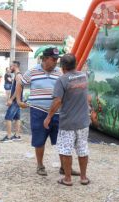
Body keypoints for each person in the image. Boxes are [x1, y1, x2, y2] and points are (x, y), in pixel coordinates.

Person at [16, 47, 80, 176]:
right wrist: (19, 100)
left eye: (57, 59)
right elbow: (20, 83)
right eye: (53, 59)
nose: (56, 62)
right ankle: (40, 166)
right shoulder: (32, 71)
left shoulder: (60, 73)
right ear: (45, 59)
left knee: (62, 141)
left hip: (58, 113)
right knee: (39, 140)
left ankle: (64, 168)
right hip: (38, 111)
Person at [44, 54, 90, 186]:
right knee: (82, 149)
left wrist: (48, 117)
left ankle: (68, 179)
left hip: (68, 123)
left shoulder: (62, 80)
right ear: (75, 64)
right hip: (83, 122)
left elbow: (57, 100)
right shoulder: (83, 76)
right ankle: (83, 177)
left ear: (62, 66)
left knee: (65, 149)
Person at [0, 61, 22, 143]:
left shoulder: (18, 76)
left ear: (15, 66)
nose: (10, 68)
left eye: (11, 66)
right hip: (17, 100)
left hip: (15, 100)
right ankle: (17, 135)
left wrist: (11, 99)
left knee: (8, 117)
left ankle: (9, 137)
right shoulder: (17, 75)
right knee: (17, 118)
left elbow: (18, 89)